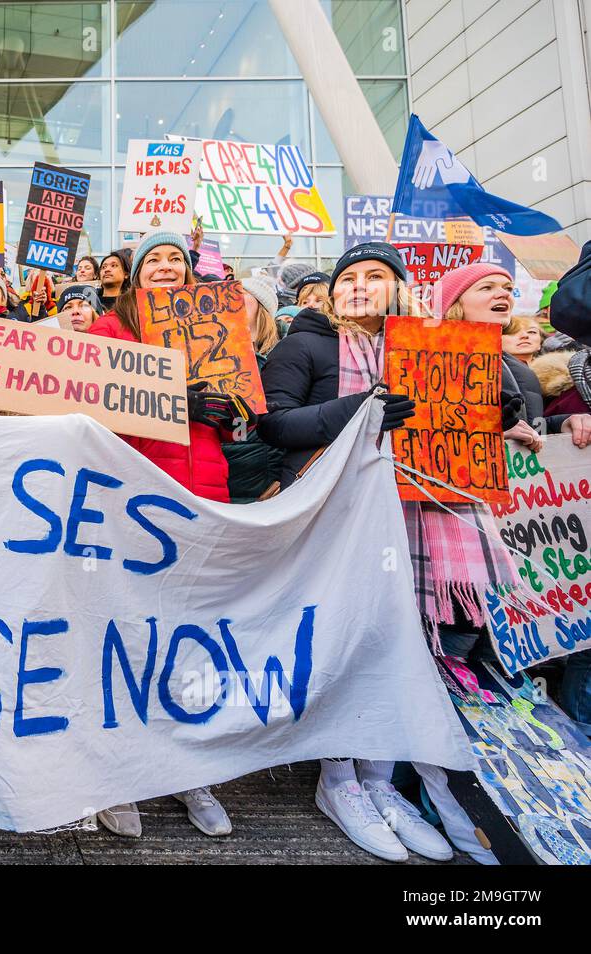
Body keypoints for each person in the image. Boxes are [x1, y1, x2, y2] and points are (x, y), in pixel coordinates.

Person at [260, 242, 508, 864]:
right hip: (340, 519)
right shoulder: (306, 345)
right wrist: (357, 410)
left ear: (400, 287)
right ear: (330, 291)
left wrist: (498, 414)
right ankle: (338, 780)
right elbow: (274, 424)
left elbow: (461, 418)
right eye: (350, 277)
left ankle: (378, 780)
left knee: (401, 644)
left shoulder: (432, 348)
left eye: (377, 275)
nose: (362, 285)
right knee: (345, 639)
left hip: (419, 520)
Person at [89, 231, 247, 840]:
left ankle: (185, 768)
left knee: (189, 632)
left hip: (202, 492)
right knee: (125, 631)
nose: (164, 266)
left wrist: (229, 414)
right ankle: (120, 772)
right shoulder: (109, 331)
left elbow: (241, 416)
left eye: (174, 259)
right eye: (152, 258)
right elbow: (92, 413)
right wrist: (172, 402)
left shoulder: (216, 330)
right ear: (133, 276)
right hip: (127, 496)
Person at [436, 263, 549, 450]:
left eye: (508, 288)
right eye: (487, 287)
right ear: (454, 302)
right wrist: (489, 436)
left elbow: (535, 430)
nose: (504, 294)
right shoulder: (427, 363)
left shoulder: (522, 371)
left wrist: (565, 422)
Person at [222, 275, 284, 502]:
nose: (231, 301)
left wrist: (281, 479)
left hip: (261, 489)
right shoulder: (208, 359)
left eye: (241, 296)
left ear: (262, 310)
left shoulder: (283, 357)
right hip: (214, 484)